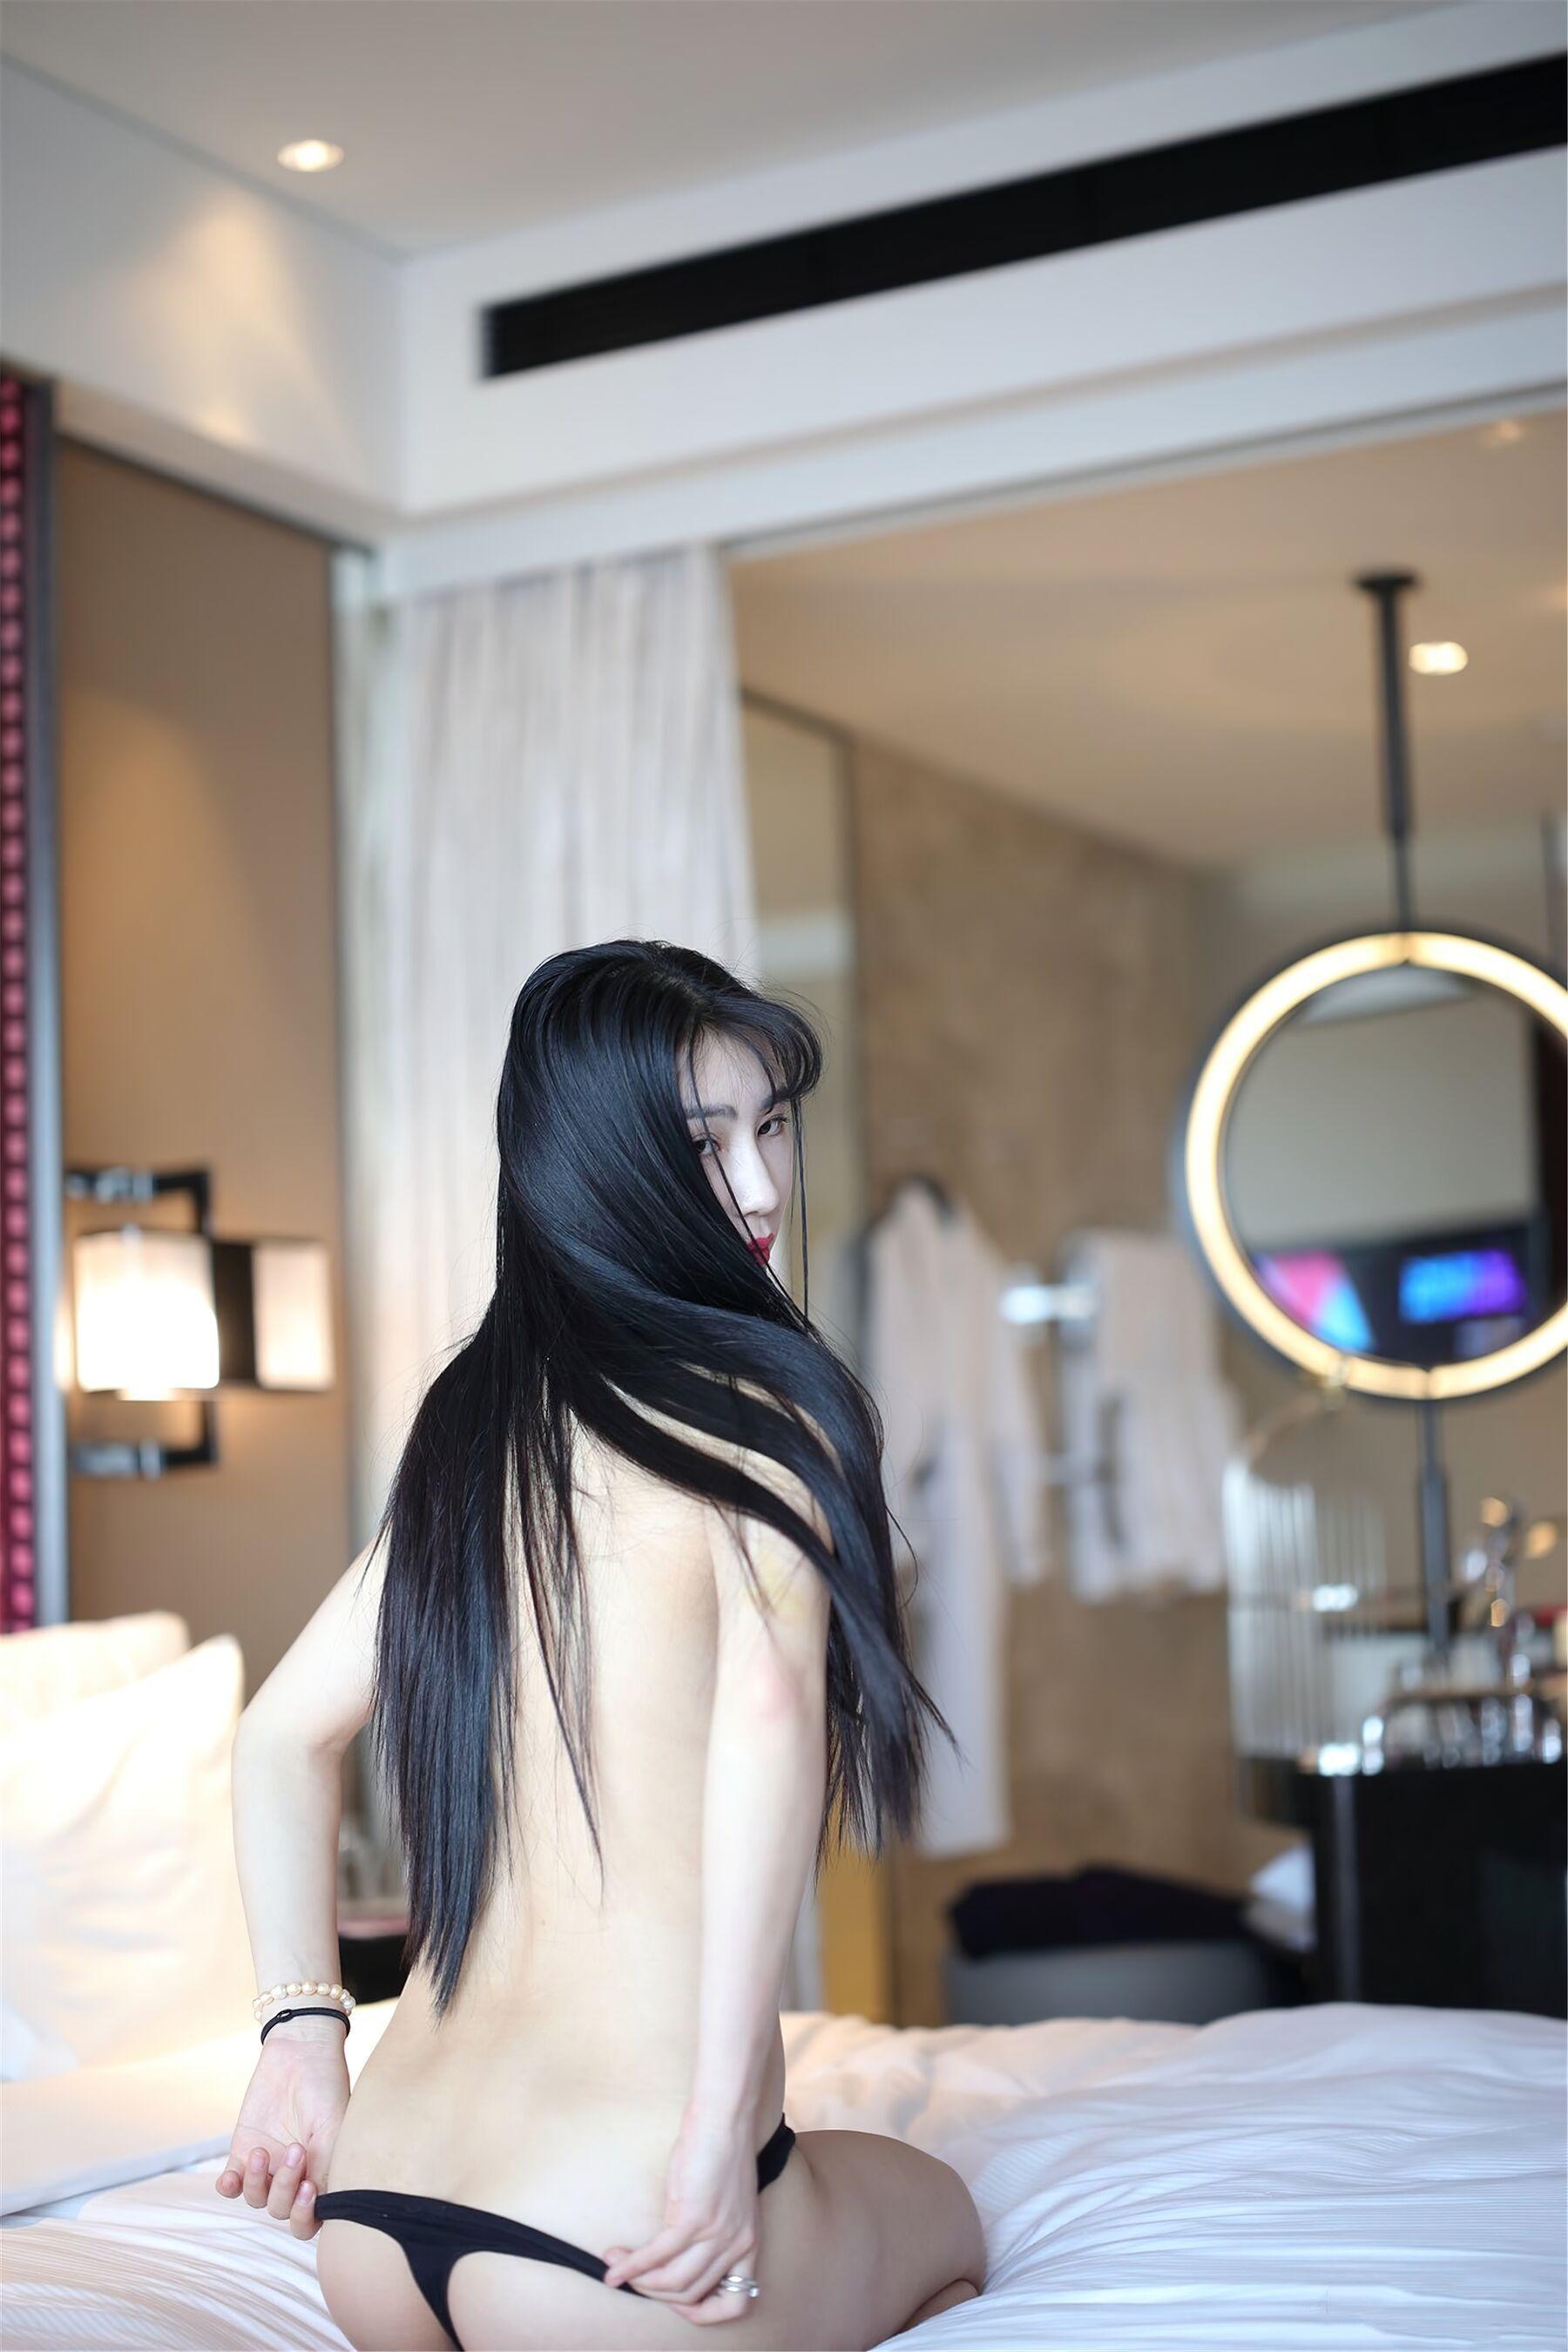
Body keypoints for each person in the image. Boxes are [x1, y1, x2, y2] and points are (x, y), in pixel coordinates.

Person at [216, 939, 988, 2350]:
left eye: (772, 1126)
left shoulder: (476, 1423)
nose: (762, 1186)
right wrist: (718, 2140)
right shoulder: (770, 1405)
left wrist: (303, 2037)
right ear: (601, 1160)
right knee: (945, 2219)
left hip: (381, 2217)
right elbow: (770, 1724)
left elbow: (279, 1733)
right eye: (703, 1144)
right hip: (612, 2233)